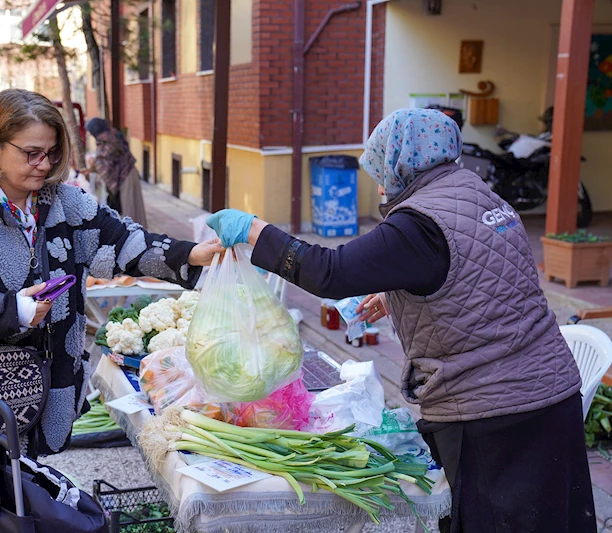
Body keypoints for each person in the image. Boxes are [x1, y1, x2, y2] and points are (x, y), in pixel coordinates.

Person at [205, 108, 595, 533]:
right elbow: (488, 278)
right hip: (551, 397)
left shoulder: (420, 224)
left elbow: (330, 272)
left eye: (380, 169)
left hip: (494, 415)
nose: (379, 184)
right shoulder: (479, 195)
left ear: (402, 162)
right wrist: (403, 296)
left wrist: (254, 229)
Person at [0, 88, 223, 533]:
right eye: (31, 153)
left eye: (51, 153)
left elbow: (123, 241)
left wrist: (194, 253)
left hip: (27, 398)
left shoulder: (60, 202)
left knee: (18, 514)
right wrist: (14, 310)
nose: (43, 165)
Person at [82, 117, 148, 227]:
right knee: (134, 209)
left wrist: (92, 170)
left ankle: (136, 237)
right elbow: (106, 161)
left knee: (131, 210)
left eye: (90, 131)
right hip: (128, 173)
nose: (90, 134)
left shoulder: (107, 140)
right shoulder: (112, 135)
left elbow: (105, 163)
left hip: (126, 177)